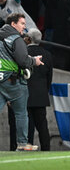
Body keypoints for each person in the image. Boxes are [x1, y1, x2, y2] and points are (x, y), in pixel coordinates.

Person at [0, 13, 44, 151]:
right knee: (21, 113)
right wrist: (34, 61)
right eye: (22, 23)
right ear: (13, 24)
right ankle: (22, 144)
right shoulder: (16, 39)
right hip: (13, 82)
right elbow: (23, 60)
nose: (24, 27)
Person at [26, 28, 53, 151]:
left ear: (28, 38)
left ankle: (28, 148)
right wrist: (44, 90)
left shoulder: (23, 53)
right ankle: (46, 149)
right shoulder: (47, 55)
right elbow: (49, 77)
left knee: (28, 127)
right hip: (41, 95)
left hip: (25, 95)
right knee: (43, 126)